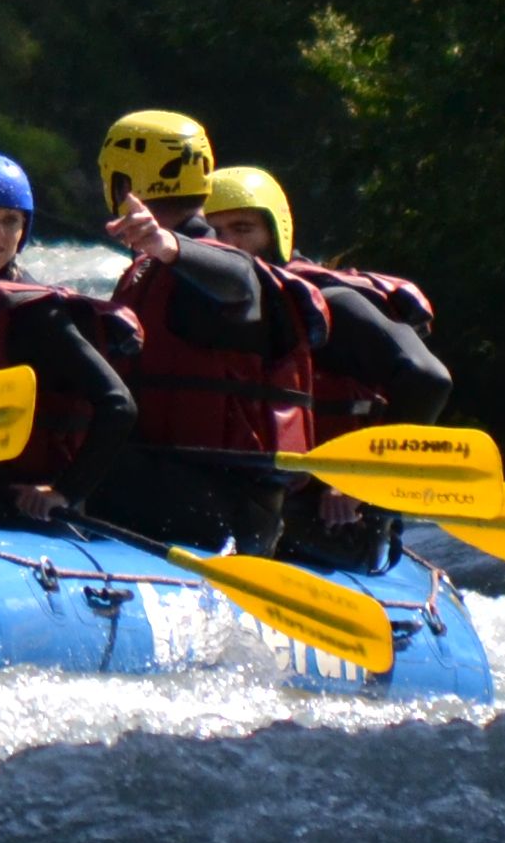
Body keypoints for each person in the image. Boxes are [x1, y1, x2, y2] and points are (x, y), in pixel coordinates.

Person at [86, 126, 449, 563]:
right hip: (237, 492)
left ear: (277, 230)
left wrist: (361, 484)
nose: (228, 243)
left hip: (328, 516)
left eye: (243, 229)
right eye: (216, 231)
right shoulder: (182, 286)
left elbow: (427, 379)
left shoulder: (330, 304)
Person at [0, 150, 139, 522]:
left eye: (10, 220)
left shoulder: (37, 314)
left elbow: (118, 405)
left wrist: (65, 492)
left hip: (11, 504)